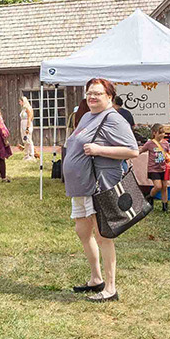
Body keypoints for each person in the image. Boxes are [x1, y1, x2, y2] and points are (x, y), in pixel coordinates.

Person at [62, 77, 140, 302]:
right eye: (89, 93)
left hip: (99, 184)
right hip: (81, 186)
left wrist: (99, 149)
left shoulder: (113, 119)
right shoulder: (87, 115)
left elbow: (132, 151)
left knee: (103, 234)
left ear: (109, 96)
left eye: (97, 93)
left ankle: (111, 288)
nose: (92, 97)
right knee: (82, 231)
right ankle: (96, 279)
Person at [142, 124, 170, 212]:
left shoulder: (166, 143)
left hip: (163, 168)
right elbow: (141, 150)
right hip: (153, 169)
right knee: (158, 186)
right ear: (154, 133)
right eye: (160, 133)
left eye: (163, 133)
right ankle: (149, 197)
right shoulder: (150, 143)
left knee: (164, 187)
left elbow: (169, 154)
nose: (162, 135)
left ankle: (165, 206)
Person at [18, 96, 37, 161]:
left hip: (27, 123)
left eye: (20, 101)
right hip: (22, 124)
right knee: (25, 140)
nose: (19, 103)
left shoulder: (28, 108)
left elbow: (29, 118)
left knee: (28, 139)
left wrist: (28, 127)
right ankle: (26, 154)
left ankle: (32, 155)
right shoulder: (23, 109)